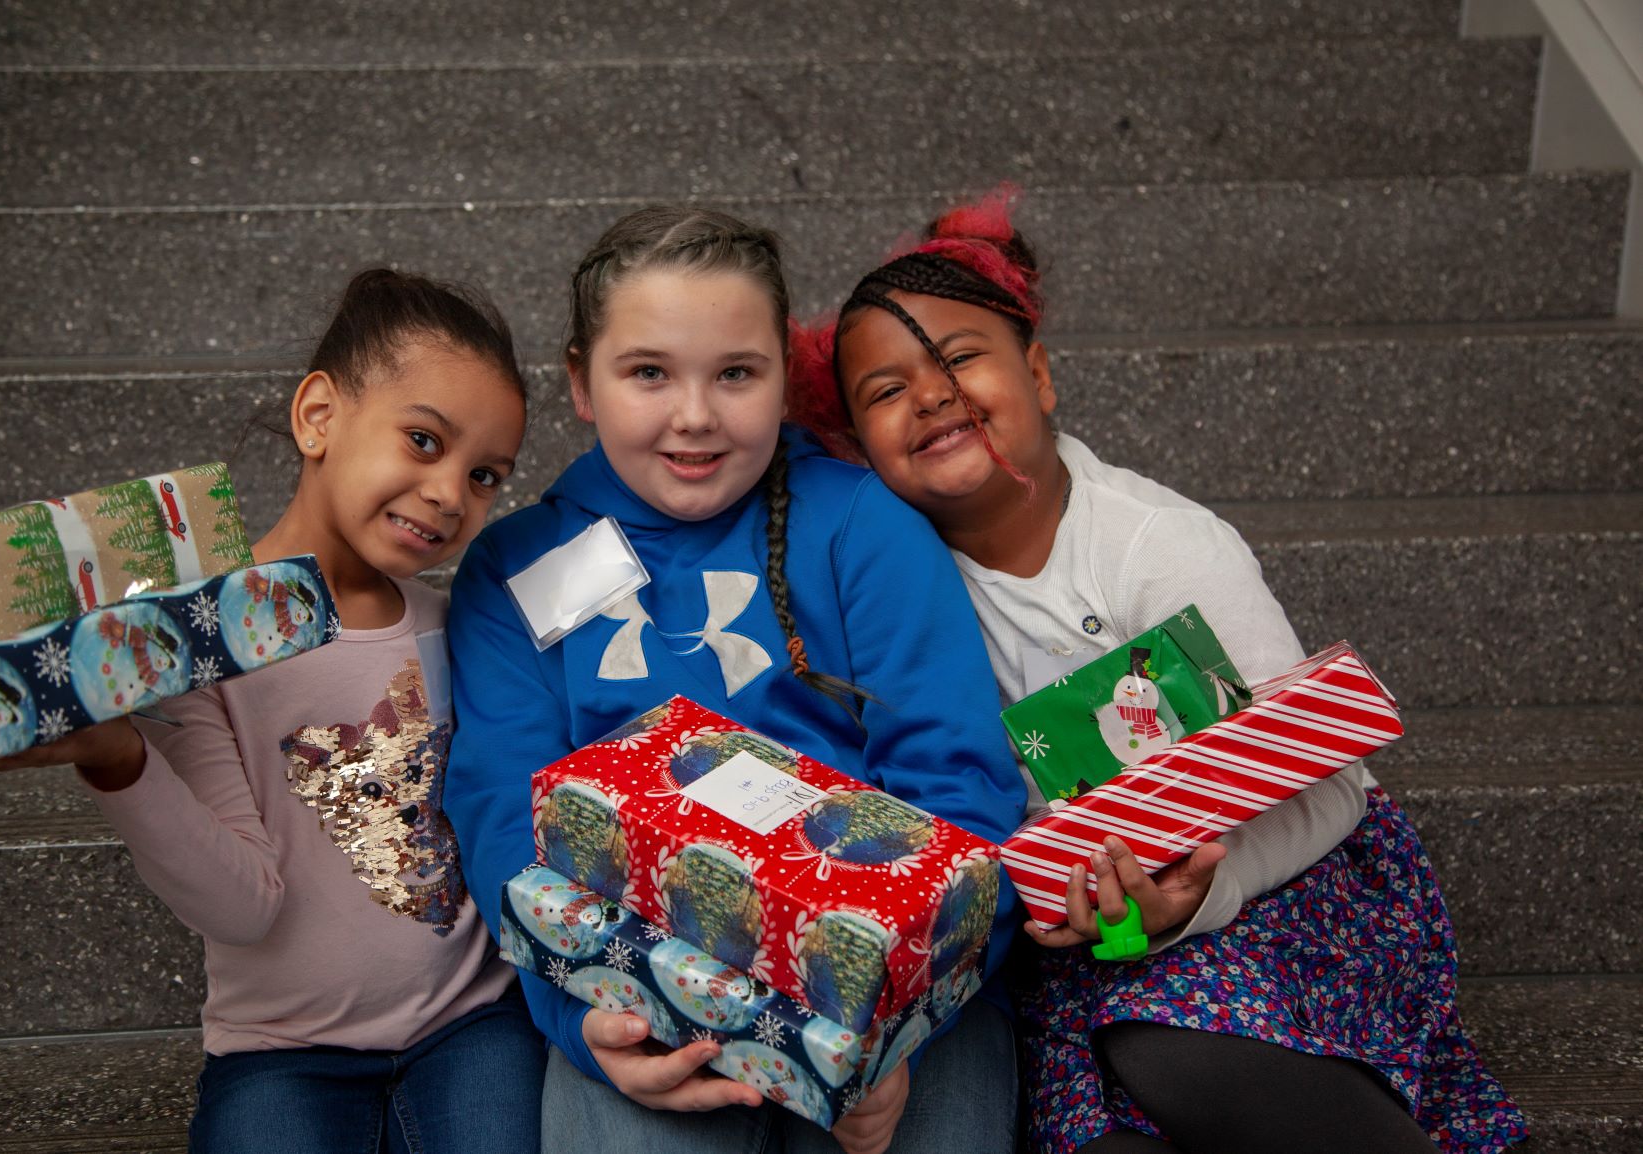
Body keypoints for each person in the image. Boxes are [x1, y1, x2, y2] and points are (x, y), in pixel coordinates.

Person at [786, 187, 1529, 1154]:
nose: (929, 394)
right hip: (1091, 940)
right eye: (885, 392)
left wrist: (1193, 902)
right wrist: (1102, 916)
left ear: (1041, 375)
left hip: (1279, 885)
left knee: (1173, 1048)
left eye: (961, 358)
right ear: (856, 446)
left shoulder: (1155, 547)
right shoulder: (901, 590)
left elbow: (1325, 778)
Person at [442, 206, 1030, 1154]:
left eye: (736, 374)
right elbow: (506, 815)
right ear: (579, 384)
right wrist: (589, 1028)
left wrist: (896, 1026)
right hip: (634, 984)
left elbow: (963, 790)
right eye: (647, 373)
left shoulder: (862, 528)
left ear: (782, 382)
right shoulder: (517, 568)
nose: (695, 416)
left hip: (898, 980)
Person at [0, 268, 543, 1153]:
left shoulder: (458, 628)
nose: (450, 494)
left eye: (485, 475)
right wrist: (116, 758)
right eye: (423, 440)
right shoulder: (191, 646)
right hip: (284, 1054)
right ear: (319, 415)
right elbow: (244, 909)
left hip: (471, 1027)